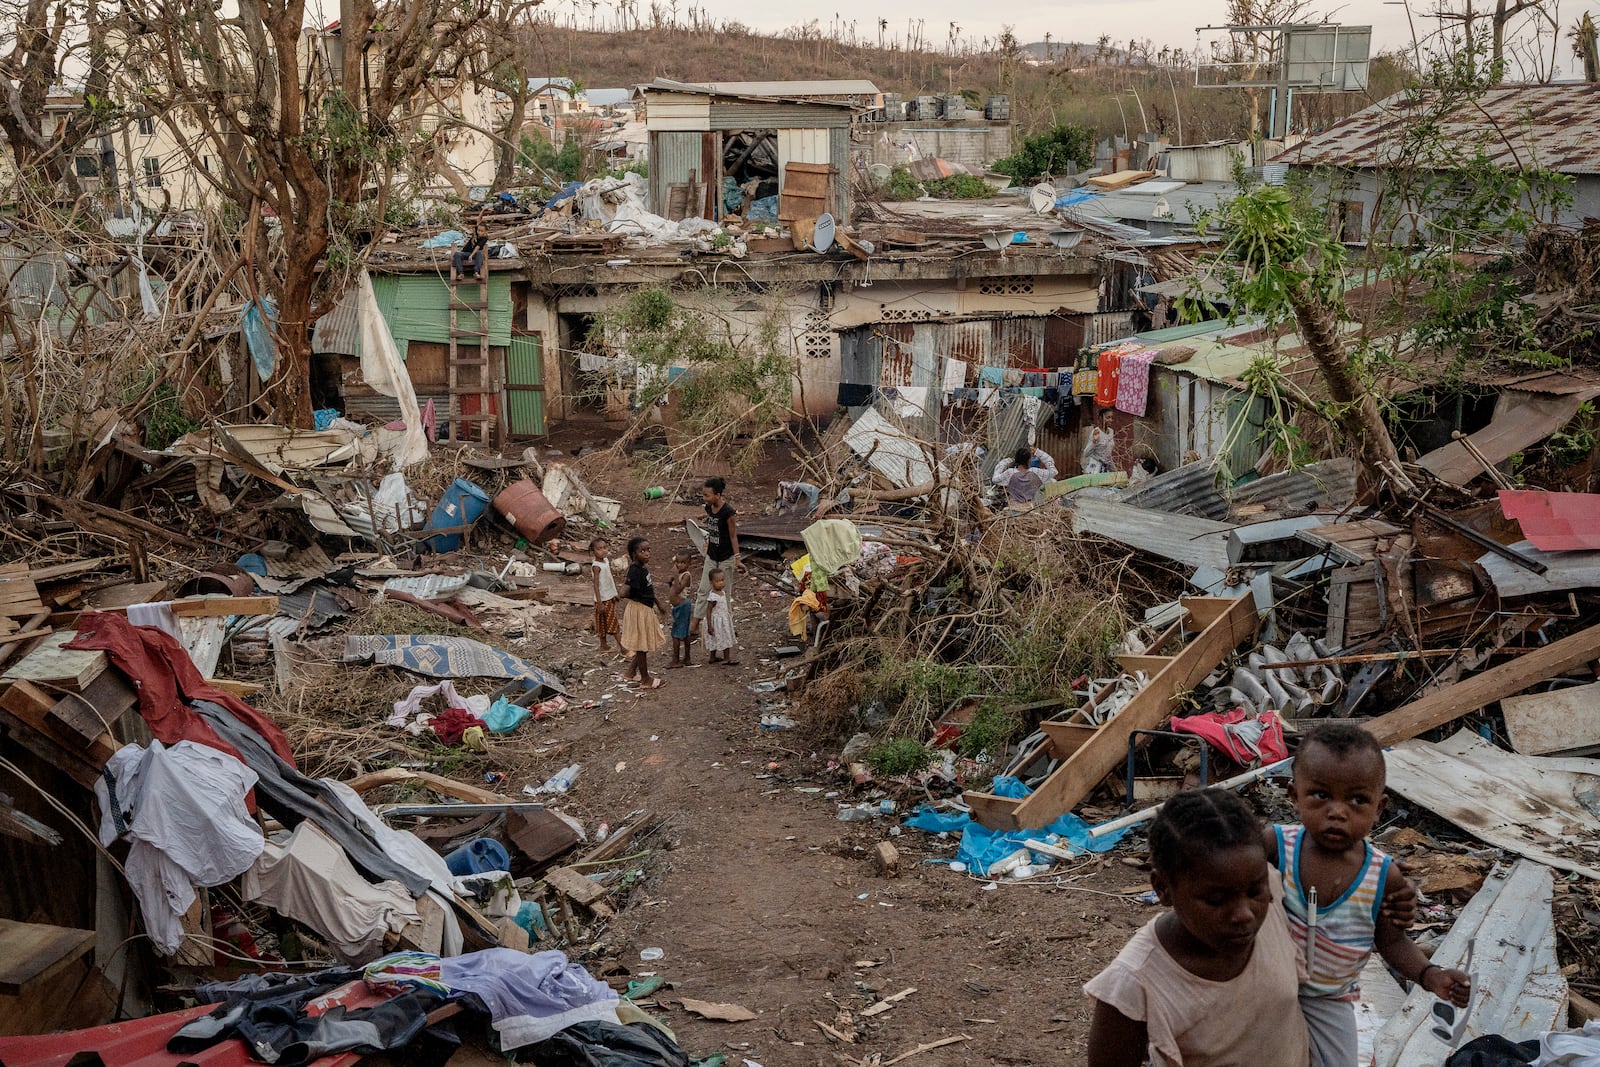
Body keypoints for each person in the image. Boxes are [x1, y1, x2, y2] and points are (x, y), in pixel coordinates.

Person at [1269, 723, 1470, 1067]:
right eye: (1320, 794)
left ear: (1380, 807)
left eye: (1357, 800)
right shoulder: (1275, 847)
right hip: (1264, 991)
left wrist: (1429, 975)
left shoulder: (1382, 875)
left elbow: (1391, 942)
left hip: (1328, 1000)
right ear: (1294, 795)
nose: (1337, 811)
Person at [1085, 788, 1310, 1067]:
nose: (1244, 914)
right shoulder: (1135, 982)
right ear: (1163, 889)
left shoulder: (1273, 892)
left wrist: (1382, 897)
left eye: (1254, 892)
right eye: (1216, 900)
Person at [693, 477, 744, 635]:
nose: (705, 498)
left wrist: (737, 558)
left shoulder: (728, 512)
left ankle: (728, 626)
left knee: (724, 594)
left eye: (707, 495)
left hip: (725, 558)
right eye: (704, 495)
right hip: (712, 555)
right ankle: (695, 623)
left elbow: (733, 536)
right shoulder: (708, 508)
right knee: (704, 589)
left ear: (718, 495)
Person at [619, 537, 669, 690]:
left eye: (648, 550)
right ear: (634, 554)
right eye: (642, 551)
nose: (647, 553)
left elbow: (647, 589)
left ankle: (631, 671)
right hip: (639, 609)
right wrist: (628, 594)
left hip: (645, 607)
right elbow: (624, 592)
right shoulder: (634, 570)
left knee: (643, 642)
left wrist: (658, 604)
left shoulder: (642, 568)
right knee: (641, 646)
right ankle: (646, 679)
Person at [992, 444, 1057, 507]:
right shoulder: (1035, 472)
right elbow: (1053, 471)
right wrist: (1038, 452)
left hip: (1015, 508)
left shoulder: (1010, 473)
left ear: (1016, 459)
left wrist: (1005, 461)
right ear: (1029, 460)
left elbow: (994, 479)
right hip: (1031, 508)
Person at [589, 538, 621, 654]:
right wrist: (599, 602)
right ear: (593, 551)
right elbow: (596, 586)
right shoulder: (596, 566)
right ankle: (624, 649)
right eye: (599, 549)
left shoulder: (606, 561)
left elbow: (609, 579)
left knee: (603, 622)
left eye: (605, 548)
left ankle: (603, 646)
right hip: (602, 600)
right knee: (612, 623)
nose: (603, 551)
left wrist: (614, 593)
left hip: (609, 597)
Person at [667, 548, 696, 668]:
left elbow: (678, 590)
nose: (679, 565)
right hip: (679, 607)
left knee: (676, 634)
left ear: (689, 564)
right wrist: (671, 580)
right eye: (677, 562)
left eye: (683, 563)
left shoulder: (686, 575)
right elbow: (673, 587)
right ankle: (686, 658)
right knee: (684, 633)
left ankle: (676, 660)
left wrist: (674, 575)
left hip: (683, 606)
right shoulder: (679, 574)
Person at [702, 568, 737, 665]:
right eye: (717, 581)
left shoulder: (723, 592)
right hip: (716, 621)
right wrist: (709, 625)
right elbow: (708, 611)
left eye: (722, 580)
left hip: (723, 619)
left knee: (719, 637)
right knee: (723, 638)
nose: (721, 583)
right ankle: (726, 658)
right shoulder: (713, 597)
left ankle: (713, 657)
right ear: (711, 582)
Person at [451, 217, 488, 282]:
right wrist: (483, 210)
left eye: (481, 231)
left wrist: (471, 255)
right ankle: (461, 273)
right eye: (478, 230)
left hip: (474, 254)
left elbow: (477, 247)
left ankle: (476, 272)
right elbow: (479, 220)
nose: (479, 232)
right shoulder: (476, 234)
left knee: (479, 253)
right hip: (466, 252)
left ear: (485, 232)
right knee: (457, 254)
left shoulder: (484, 238)